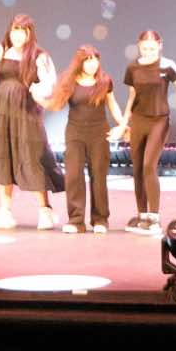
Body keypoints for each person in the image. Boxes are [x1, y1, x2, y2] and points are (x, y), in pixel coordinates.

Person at [0, 14, 63, 229]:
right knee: (4, 157)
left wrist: (39, 89)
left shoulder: (39, 56)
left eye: (22, 31)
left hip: (26, 112)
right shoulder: (2, 50)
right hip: (3, 111)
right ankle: (5, 211)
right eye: (14, 30)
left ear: (30, 33)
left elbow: (50, 82)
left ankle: (45, 209)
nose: (18, 35)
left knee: (32, 157)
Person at [118, 30, 176, 236]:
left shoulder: (167, 66)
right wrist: (123, 123)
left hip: (159, 121)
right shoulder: (133, 67)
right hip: (139, 120)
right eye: (145, 48)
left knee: (148, 165)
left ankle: (154, 217)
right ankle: (142, 214)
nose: (148, 52)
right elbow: (131, 98)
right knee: (137, 168)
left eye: (152, 48)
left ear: (160, 46)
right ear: (139, 47)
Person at [45, 45, 128, 234]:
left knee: (98, 176)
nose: (92, 64)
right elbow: (56, 104)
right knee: (74, 175)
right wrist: (39, 98)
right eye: (88, 60)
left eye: (95, 59)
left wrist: (123, 125)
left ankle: (100, 220)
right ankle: (76, 220)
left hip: (99, 133)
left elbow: (112, 104)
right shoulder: (69, 80)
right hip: (75, 133)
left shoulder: (105, 81)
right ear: (80, 62)